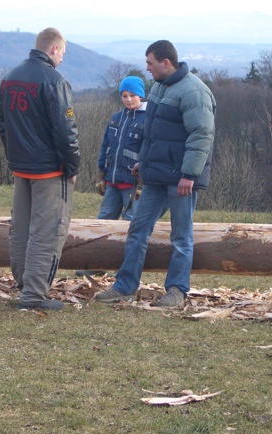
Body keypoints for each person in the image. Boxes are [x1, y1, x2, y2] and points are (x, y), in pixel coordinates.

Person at [95, 40, 216, 308]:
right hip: (155, 175)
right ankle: (125, 286)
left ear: (165, 62)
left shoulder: (195, 92)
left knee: (181, 236)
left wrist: (189, 174)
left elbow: (202, 136)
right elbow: (152, 133)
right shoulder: (160, 87)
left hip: (182, 179)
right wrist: (143, 162)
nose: (146, 68)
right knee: (137, 229)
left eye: (150, 63)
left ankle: (176, 290)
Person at [0, 27, 79, 311]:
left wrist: (14, 157)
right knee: (47, 232)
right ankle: (33, 296)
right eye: (63, 54)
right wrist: (72, 166)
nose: (62, 60)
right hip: (49, 171)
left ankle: (23, 285)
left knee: (20, 229)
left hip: (21, 167)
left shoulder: (9, 78)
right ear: (54, 49)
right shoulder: (54, 81)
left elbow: (3, 126)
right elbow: (65, 130)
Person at [96, 76, 146, 221]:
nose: (128, 99)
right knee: (104, 218)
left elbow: (149, 151)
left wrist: (143, 181)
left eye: (132, 95)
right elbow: (105, 146)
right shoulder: (116, 118)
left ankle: (128, 245)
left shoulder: (148, 119)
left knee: (131, 220)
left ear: (140, 95)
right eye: (124, 96)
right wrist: (101, 174)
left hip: (133, 183)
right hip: (112, 180)